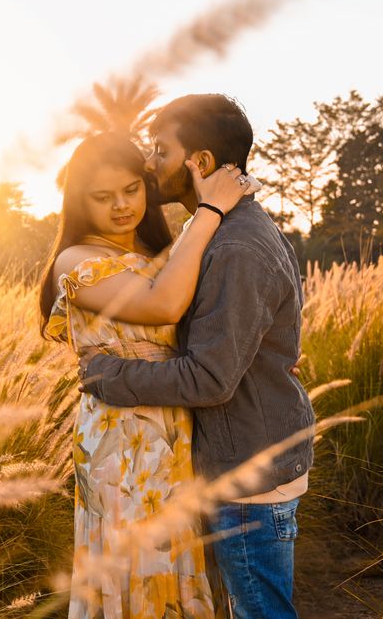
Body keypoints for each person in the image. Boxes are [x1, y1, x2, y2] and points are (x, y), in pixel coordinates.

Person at [77, 95, 316, 619]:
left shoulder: (233, 245)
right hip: (246, 451)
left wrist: (109, 375)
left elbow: (209, 378)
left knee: (261, 611)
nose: (149, 162)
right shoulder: (224, 230)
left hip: (249, 471)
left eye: (161, 151)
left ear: (200, 163)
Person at [38, 131, 253, 618]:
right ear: (78, 201)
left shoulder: (163, 252)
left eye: (131, 190)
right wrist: (210, 211)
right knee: (133, 561)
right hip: (121, 438)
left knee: (173, 559)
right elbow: (163, 305)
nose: (120, 206)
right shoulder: (77, 260)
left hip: (177, 431)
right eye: (102, 197)